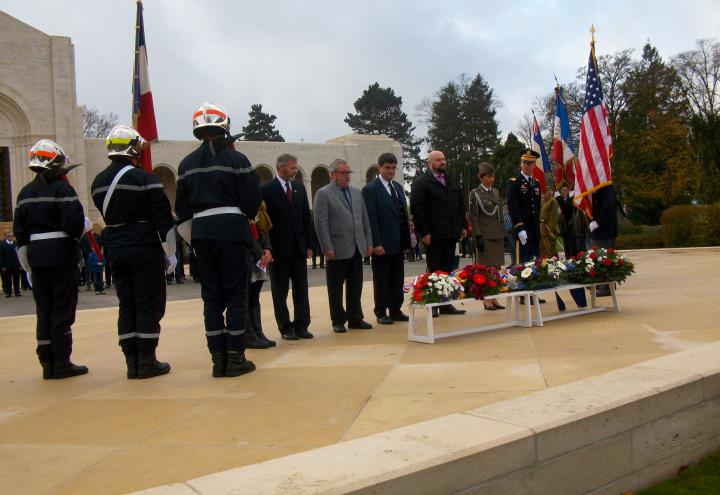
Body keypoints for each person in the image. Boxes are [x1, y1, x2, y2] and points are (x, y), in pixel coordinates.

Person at [175, 102, 261, 378]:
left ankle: (218, 359)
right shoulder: (238, 160)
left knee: (212, 298)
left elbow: (182, 208)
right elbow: (251, 201)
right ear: (224, 127)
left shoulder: (185, 165)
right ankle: (235, 357)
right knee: (236, 295)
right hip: (232, 232)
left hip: (202, 235)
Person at [91, 125, 174, 379]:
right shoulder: (145, 178)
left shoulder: (98, 182)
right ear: (134, 149)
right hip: (144, 247)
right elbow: (162, 217)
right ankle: (147, 360)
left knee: (127, 304)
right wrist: (170, 252)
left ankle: (132, 362)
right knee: (148, 303)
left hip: (115, 247)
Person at [13, 139, 89, 379]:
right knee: (62, 309)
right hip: (60, 254)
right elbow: (73, 224)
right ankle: (62, 360)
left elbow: (20, 230)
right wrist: (81, 229)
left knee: (44, 309)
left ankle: (47, 361)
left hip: (36, 255)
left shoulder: (24, 193)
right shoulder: (62, 190)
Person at [313, 158, 373, 333]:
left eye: (349, 173)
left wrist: (368, 242)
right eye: (343, 173)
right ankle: (338, 320)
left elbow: (365, 220)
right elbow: (321, 223)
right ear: (332, 174)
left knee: (356, 285)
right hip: (336, 248)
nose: (347, 176)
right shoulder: (323, 193)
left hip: (357, 246)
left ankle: (355, 318)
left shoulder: (356, 192)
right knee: (335, 287)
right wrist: (326, 247)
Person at [261, 153, 315, 341]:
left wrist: (309, 244)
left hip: (299, 248)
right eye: (292, 167)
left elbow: (306, 218)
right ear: (280, 167)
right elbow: (264, 223)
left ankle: (302, 325)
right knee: (280, 291)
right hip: (278, 250)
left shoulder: (299, 188)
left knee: (301, 289)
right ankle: (285, 327)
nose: (295, 170)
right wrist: (266, 248)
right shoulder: (266, 190)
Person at [410, 150, 467, 316]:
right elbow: (417, 208)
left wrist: (462, 225)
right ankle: (433, 304)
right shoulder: (421, 182)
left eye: (444, 159)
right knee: (434, 270)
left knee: (448, 270)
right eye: (439, 160)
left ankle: (446, 303)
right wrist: (424, 231)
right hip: (433, 235)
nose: (443, 162)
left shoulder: (451, 180)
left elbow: (460, 205)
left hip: (451, 233)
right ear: (429, 163)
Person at [362, 152, 411, 325]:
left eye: (393, 168)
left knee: (397, 277)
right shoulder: (370, 189)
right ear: (379, 168)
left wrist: (406, 241)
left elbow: (403, 215)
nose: (391, 171)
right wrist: (376, 243)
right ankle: (381, 311)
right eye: (387, 168)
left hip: (398, 243)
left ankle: (396, 309)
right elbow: (371, 218)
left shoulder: (397, 187)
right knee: (382, 279)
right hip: (382, 243)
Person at [506, 149, 546, 304]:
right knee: (522, 261)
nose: (527, 165)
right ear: (521, 163)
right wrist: (519, 227)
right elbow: (513, 206)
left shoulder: (535, 183)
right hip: (522, 230)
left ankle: (534, 290)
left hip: (534, 230)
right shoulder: (514, 182)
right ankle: (523, 293)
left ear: (534, 165)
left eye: (530, 163)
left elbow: (536, 206)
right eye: (524, 162)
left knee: (535, 261)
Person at [469, 163, 506, 310]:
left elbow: (499, 214)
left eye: (493, 176)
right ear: (481, 177)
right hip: (485, 235)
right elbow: (473, 216)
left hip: (497, 233)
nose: (491, 179)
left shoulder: (496, 192)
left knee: (496, 268)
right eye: (488, 177)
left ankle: (494, 297)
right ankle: (486, 299)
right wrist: (477, 235)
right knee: (485, 269)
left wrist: (504, 233)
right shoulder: (475, 193)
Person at [245, 200, 276, 349]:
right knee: (246, 295)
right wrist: (260, 253)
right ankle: (249, 335)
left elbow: (266, 231)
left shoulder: (260, 209)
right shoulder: (243, 209)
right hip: (249, 256)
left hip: (261, 257)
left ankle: (258, 332)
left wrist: (268, 250)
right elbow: (247, 234)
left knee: (255, 296)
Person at [589, 184, 619, 296]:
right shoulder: (602, 187)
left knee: (604, 258)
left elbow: (608, 207)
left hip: (605, 230)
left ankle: (606, 287)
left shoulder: (607, 188)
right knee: (600, 257)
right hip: (601, 230)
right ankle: (604, 285)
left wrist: (599, 222)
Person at [540, 187, 561, 259]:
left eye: (545, 192)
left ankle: (555, 266)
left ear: (550, 192)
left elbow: (554, 217)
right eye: (542, 193)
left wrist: (550, 230)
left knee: (551, 251)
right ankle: (545, 266)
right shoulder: (543, 201)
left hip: (549, 229)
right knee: (544, 250)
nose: (543, 195)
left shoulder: (553, 201)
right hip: (542, 229)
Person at [1, 230, 21, 297]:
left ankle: (17, 292)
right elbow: (1, 256)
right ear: (5, 237)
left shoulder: (16, 243)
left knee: (16, 279)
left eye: (12, 236)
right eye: (8, 236)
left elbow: (19, 254)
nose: (10, 237)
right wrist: (2, 266)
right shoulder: (2, 244)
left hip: (15, 265)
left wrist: (20, 264)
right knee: (7, 280)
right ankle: (8, 292)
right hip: (7, 265)